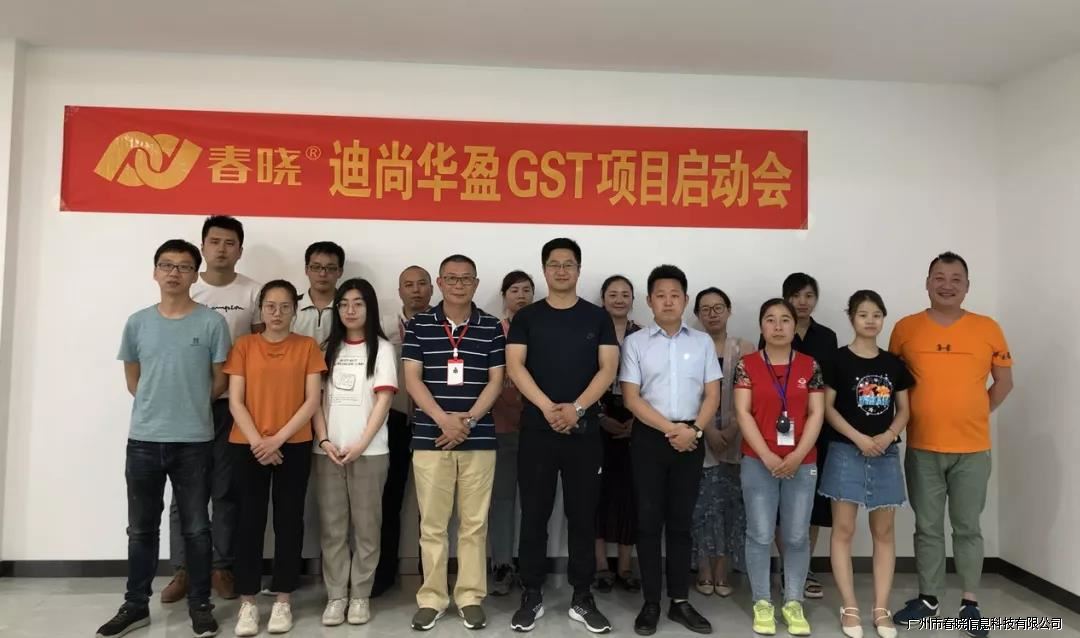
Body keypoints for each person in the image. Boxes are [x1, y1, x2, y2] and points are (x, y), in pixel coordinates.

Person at [96, 239, 230, 638]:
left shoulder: (211, 323)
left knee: (197, 528)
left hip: (194, 441)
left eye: (184, 266)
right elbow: (134, 380)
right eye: (167, 265)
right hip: (144, 440)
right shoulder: (137, 323)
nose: (174, 273)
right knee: (140, 529)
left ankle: (200, 604)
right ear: (155, 271)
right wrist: (160, 407)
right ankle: (135, 604)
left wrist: (190, 406)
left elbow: (220, 381)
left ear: (194, 274)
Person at [890, 252, 1013, 638]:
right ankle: (929, 599)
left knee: (967, 527)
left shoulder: (987, 328)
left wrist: (975, 412)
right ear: (927, 283)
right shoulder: (905, 329)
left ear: (967, 286)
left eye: (956, 278)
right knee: (927, 527)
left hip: (973, 449)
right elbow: (892, 385)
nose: (947, 285)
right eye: (939, 277)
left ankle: (970, 603)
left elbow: (1004, 382)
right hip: (922, 446)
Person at [507, 237, 619, 634]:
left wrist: (577, 408)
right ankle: (531, 594)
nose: (561, 270)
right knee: (534, 515)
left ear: (578, 270)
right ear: (544, 270)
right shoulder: (527, 317)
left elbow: (608, 368)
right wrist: (548, 408)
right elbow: (515, 366)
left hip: (583, 432)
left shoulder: (597, 317)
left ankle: (582, 597)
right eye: (553, 264)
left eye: (568, 264)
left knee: (582, 517)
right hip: (538, 431)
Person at [161, 215, 261, 604]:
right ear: (202, 246)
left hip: (231, 405)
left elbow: (258, 348)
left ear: (240, 249)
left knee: (225, 489)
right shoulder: (189, 286)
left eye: (229, 242)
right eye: (214, 241)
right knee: (184, 491)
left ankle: (222, 566)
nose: (221, 249)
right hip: (185, 405)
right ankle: (184, 569)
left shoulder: (252, 292)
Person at [403, 255, 505, 631]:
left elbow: (496, 381)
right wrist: (443, 420)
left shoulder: (491, 326)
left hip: (479, 439)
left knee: (473, 524)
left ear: (476, 284)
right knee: (432, 525)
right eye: (451, 278)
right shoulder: (419, 325)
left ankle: (469, 596)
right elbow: (412, 379)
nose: (458, 285)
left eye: (466, 279)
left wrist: (468, 421)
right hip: (430, 438)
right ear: (440, 283)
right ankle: (432, 598)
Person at [621, 265, 721, 636]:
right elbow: (631, 399)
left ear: (685, 300)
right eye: (660, 295)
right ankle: (651, 602)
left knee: (681, 523)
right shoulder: (635, 342)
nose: (667, 301)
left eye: (674, 295)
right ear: (649, 301)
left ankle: (679, 601)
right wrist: (671, 430)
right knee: (649, 522)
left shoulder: (702, 342)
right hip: (650, 439)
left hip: (690, 438)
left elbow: (712, 394)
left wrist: (693, 430)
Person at [226, 280, 327, 636]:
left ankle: (284, 599)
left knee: (289, 520)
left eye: (285, 307)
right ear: (261, 310)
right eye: (271, 306)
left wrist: (278, 439)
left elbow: (312, 401)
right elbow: (235, 400)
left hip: (293, 444)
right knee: (248, 522)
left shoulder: (307, 346)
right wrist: (259, 442)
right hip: (248, 444)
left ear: (294, 311)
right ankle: (248, 602)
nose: (277, 313)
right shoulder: (244, 345)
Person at [822, 291, 913, 638]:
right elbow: (828, 408)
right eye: (863, 314)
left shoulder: (894, 364)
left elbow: (904, 410)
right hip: (846, 451)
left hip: (885, 453)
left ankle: (880, 608)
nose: (870, 320)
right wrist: (858, 438)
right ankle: (849, 607)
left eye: (876, 314)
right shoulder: (837, 360)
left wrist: (888, 435)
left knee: (884, 533)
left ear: (883, 318)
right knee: (843, 530)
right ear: (852, 318)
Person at [735, 298, 825, 637]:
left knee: (797, 535)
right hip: (758, 461)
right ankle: (762, 601)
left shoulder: (810, 365)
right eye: (770, 319)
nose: (777, 326)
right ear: (761, 326)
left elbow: (816, 413)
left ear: (794, 326)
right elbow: (743, 413)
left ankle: (793, 601)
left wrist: (798, 455)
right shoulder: (747, 365)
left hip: (802, 462)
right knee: (759, 534)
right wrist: (767, 456)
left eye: (785, 319)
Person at [313, 278, 398, 627]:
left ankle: (360, 595)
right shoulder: (325, 348)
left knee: (367, 528)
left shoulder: (383, 349)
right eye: (344, 304)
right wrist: (323, 441)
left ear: (369, 308)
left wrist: (361, 444)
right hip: (328, 453)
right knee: (332, 528)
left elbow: (384, 400)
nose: (350, 310)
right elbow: (315, 401)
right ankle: (336, 596)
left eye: (358, 303)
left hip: (370, 452)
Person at [760, 273, 838, 599]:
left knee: (813, 504)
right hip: (777, 432)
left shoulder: (827, 337)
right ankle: (784, 568)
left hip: (817, 429)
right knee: (781, 501)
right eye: (795, 296)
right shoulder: (773, 333)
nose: (802, 302)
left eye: (809, 295)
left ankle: (804, 570)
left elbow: (830, 383)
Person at [372, 265, 434, 597]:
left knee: (432, 505)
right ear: (399, 292)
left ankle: (432, 576)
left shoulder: (441, 325)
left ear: (432, 289)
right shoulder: (383, 328)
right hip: (393, 421)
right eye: (408, 285)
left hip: (432, 420)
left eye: (422, 284)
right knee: (389, 499)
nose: (416, 290)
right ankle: (383, 574)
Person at [691, 287, 753, 598]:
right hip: (697, 436)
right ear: (697, 314)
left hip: (738, 437)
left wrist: (731, 429)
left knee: (731, 506)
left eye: (718, 308)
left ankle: (723, 570)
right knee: (701, 508)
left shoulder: (745, 348)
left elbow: (754, 394)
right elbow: (687, 393)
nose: (712, 314)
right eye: (705, 309)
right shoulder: (690, 346)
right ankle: (704, 569)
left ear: (729, 310)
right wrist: (709, 431)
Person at [593, 275, 642, 594]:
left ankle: (625, 566)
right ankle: (600, 565)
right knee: (596, 493)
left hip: (637, 416)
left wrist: (639, 419)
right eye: (613, 294)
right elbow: (582, 376)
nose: (619, 299)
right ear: (603, 299)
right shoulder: (592, 331)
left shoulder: (644, 335)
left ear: (633, 300)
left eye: (625, 294)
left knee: (630, 493)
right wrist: (599, 416)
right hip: (597, 415)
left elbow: (654, 380)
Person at [489, 270, 535, 596]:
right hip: (500, 427)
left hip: (537, 428)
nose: (521, 295)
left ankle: (532, 567)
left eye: (527, 290)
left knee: (536, 502)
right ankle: (502, 565)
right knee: (502, 501)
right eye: (514, 290)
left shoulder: (544, 328)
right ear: (504, 296)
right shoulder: (494, 331)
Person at [294, 241, 345, 348]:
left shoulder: (349, 308)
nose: (322, 274)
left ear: (340, 272)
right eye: (316, 267)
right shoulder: (291, 306)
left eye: (330, 268)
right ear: (306, 270)